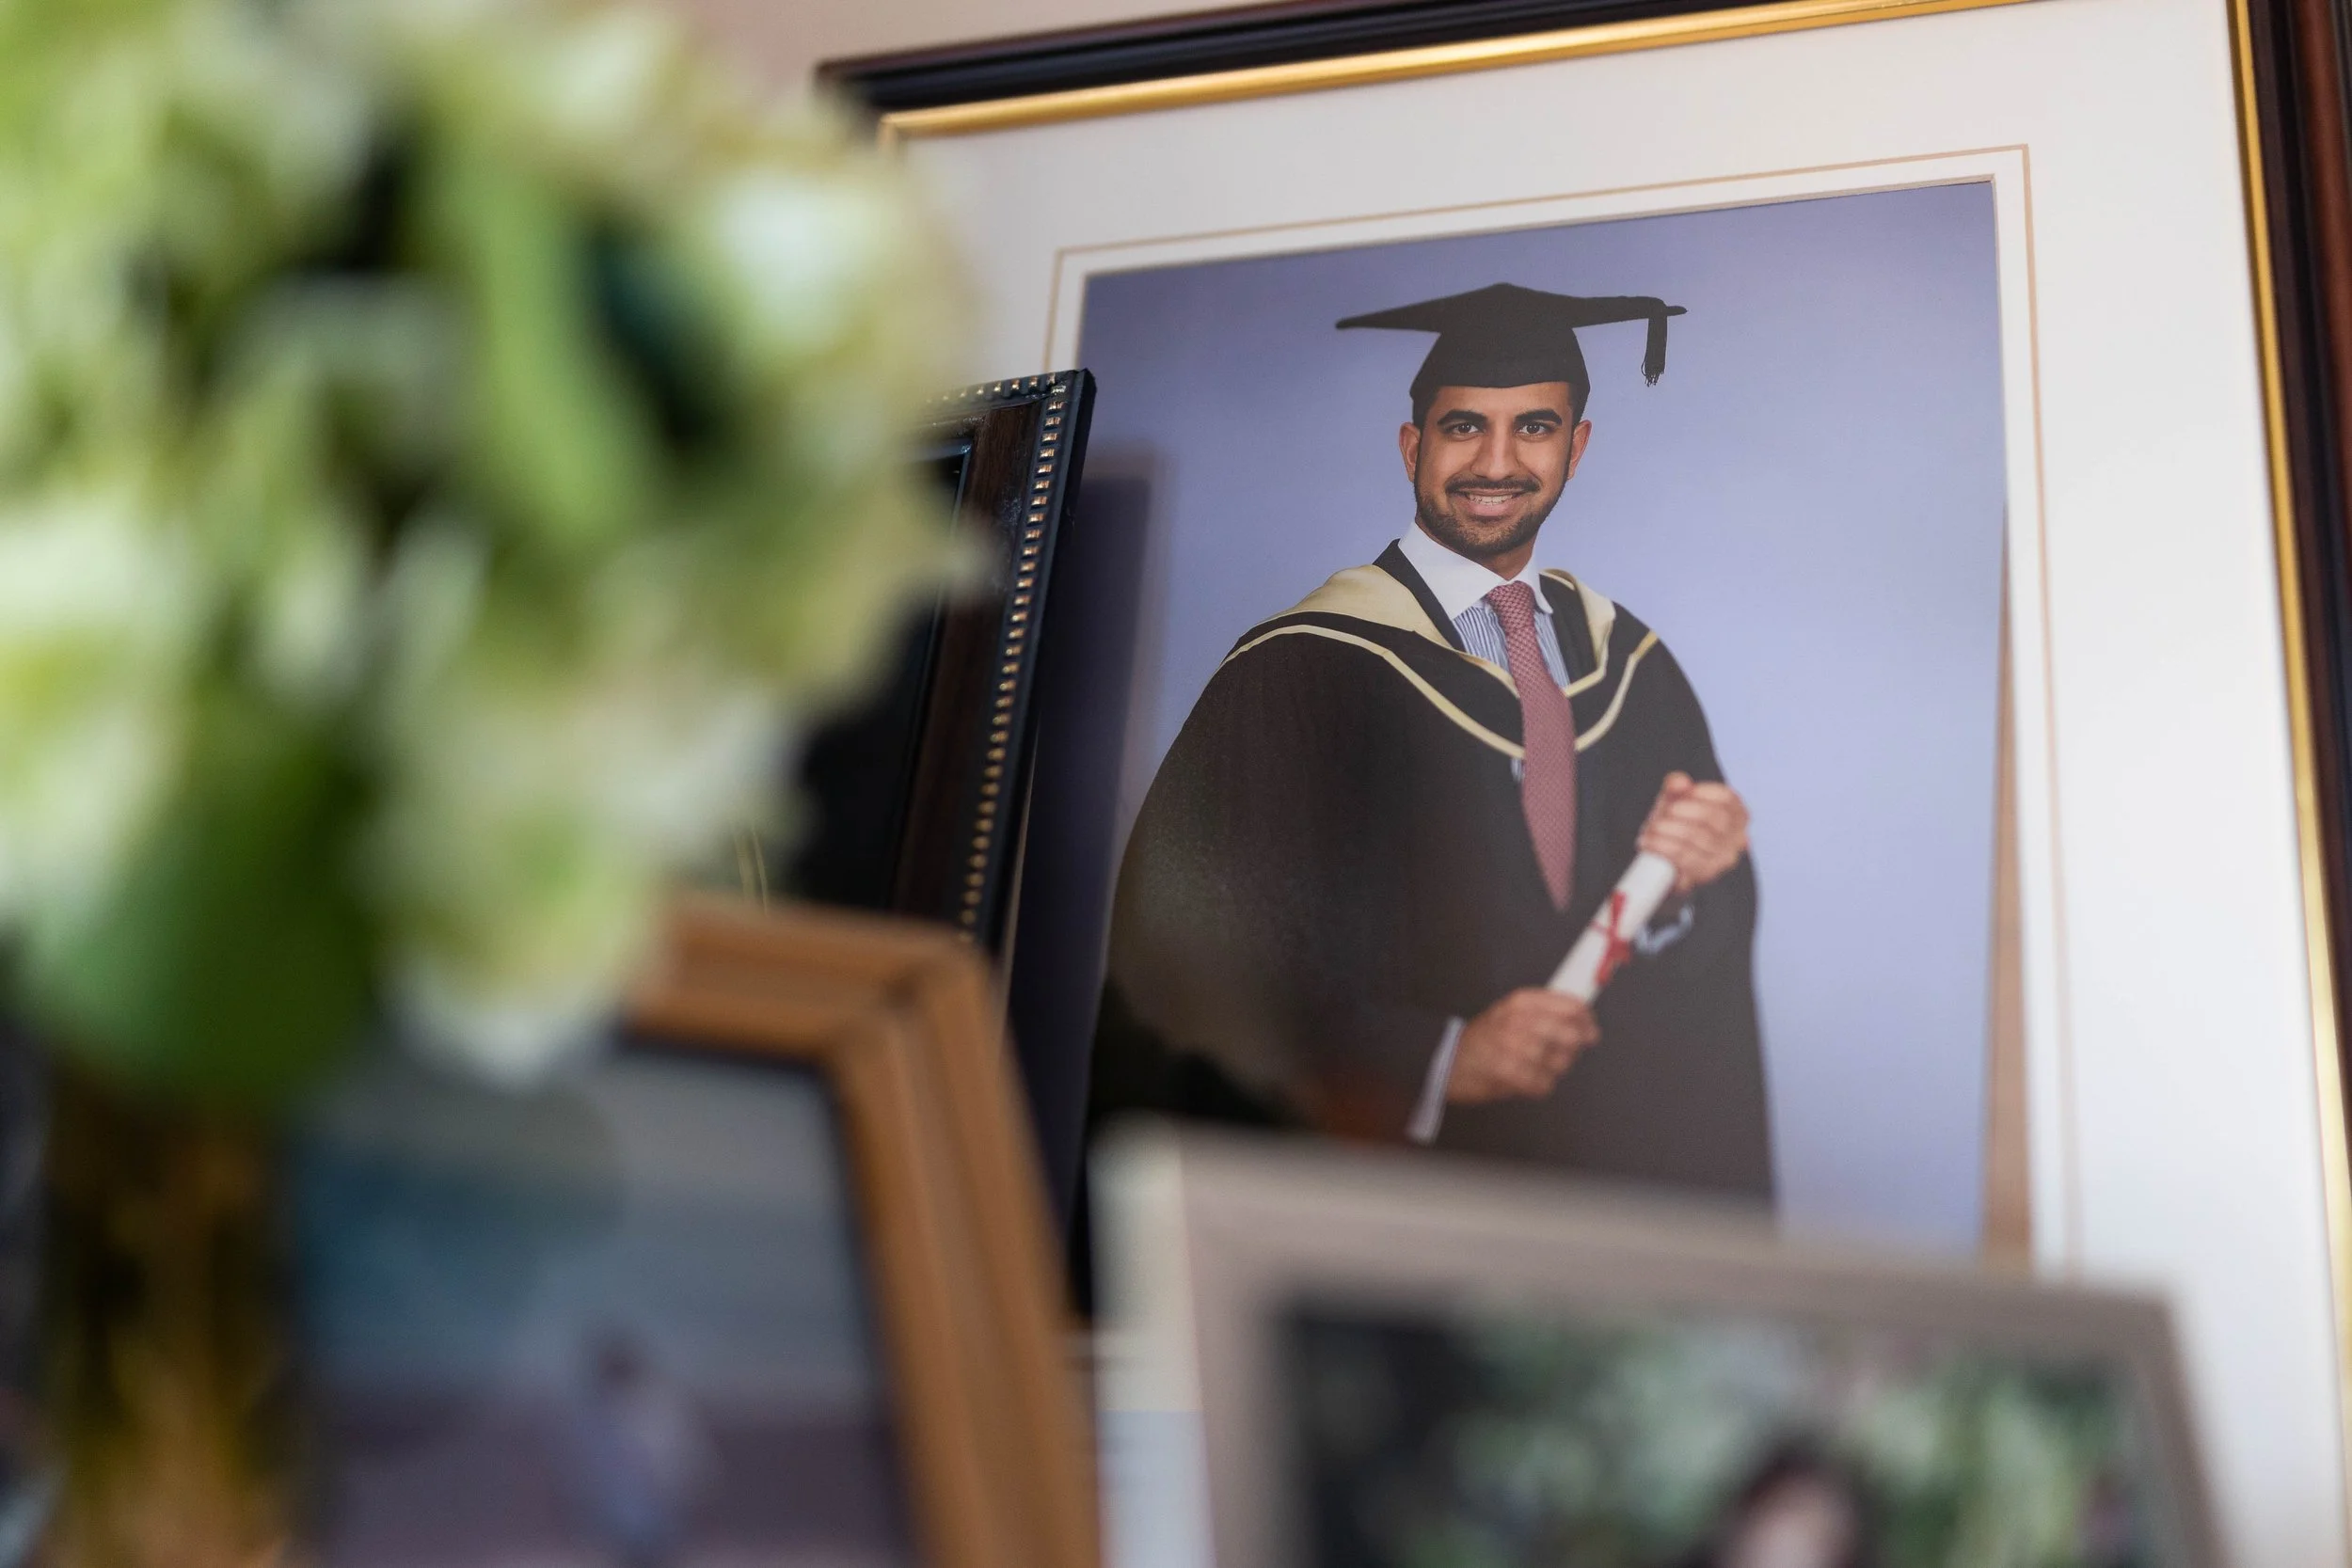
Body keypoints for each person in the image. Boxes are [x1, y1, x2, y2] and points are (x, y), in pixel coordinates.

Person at [1091, 281, 1772, 1196]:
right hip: (1390, 1199)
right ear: (1413, 445)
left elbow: (1700, 974)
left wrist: (1698, 881)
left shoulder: (1630, 666)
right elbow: (1189, 972)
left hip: (1585, 1197)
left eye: (1533, 427)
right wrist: (1436, 1059)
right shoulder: (1301, 670)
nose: (1496, 460)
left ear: (1577, 448)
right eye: (1463, 427)